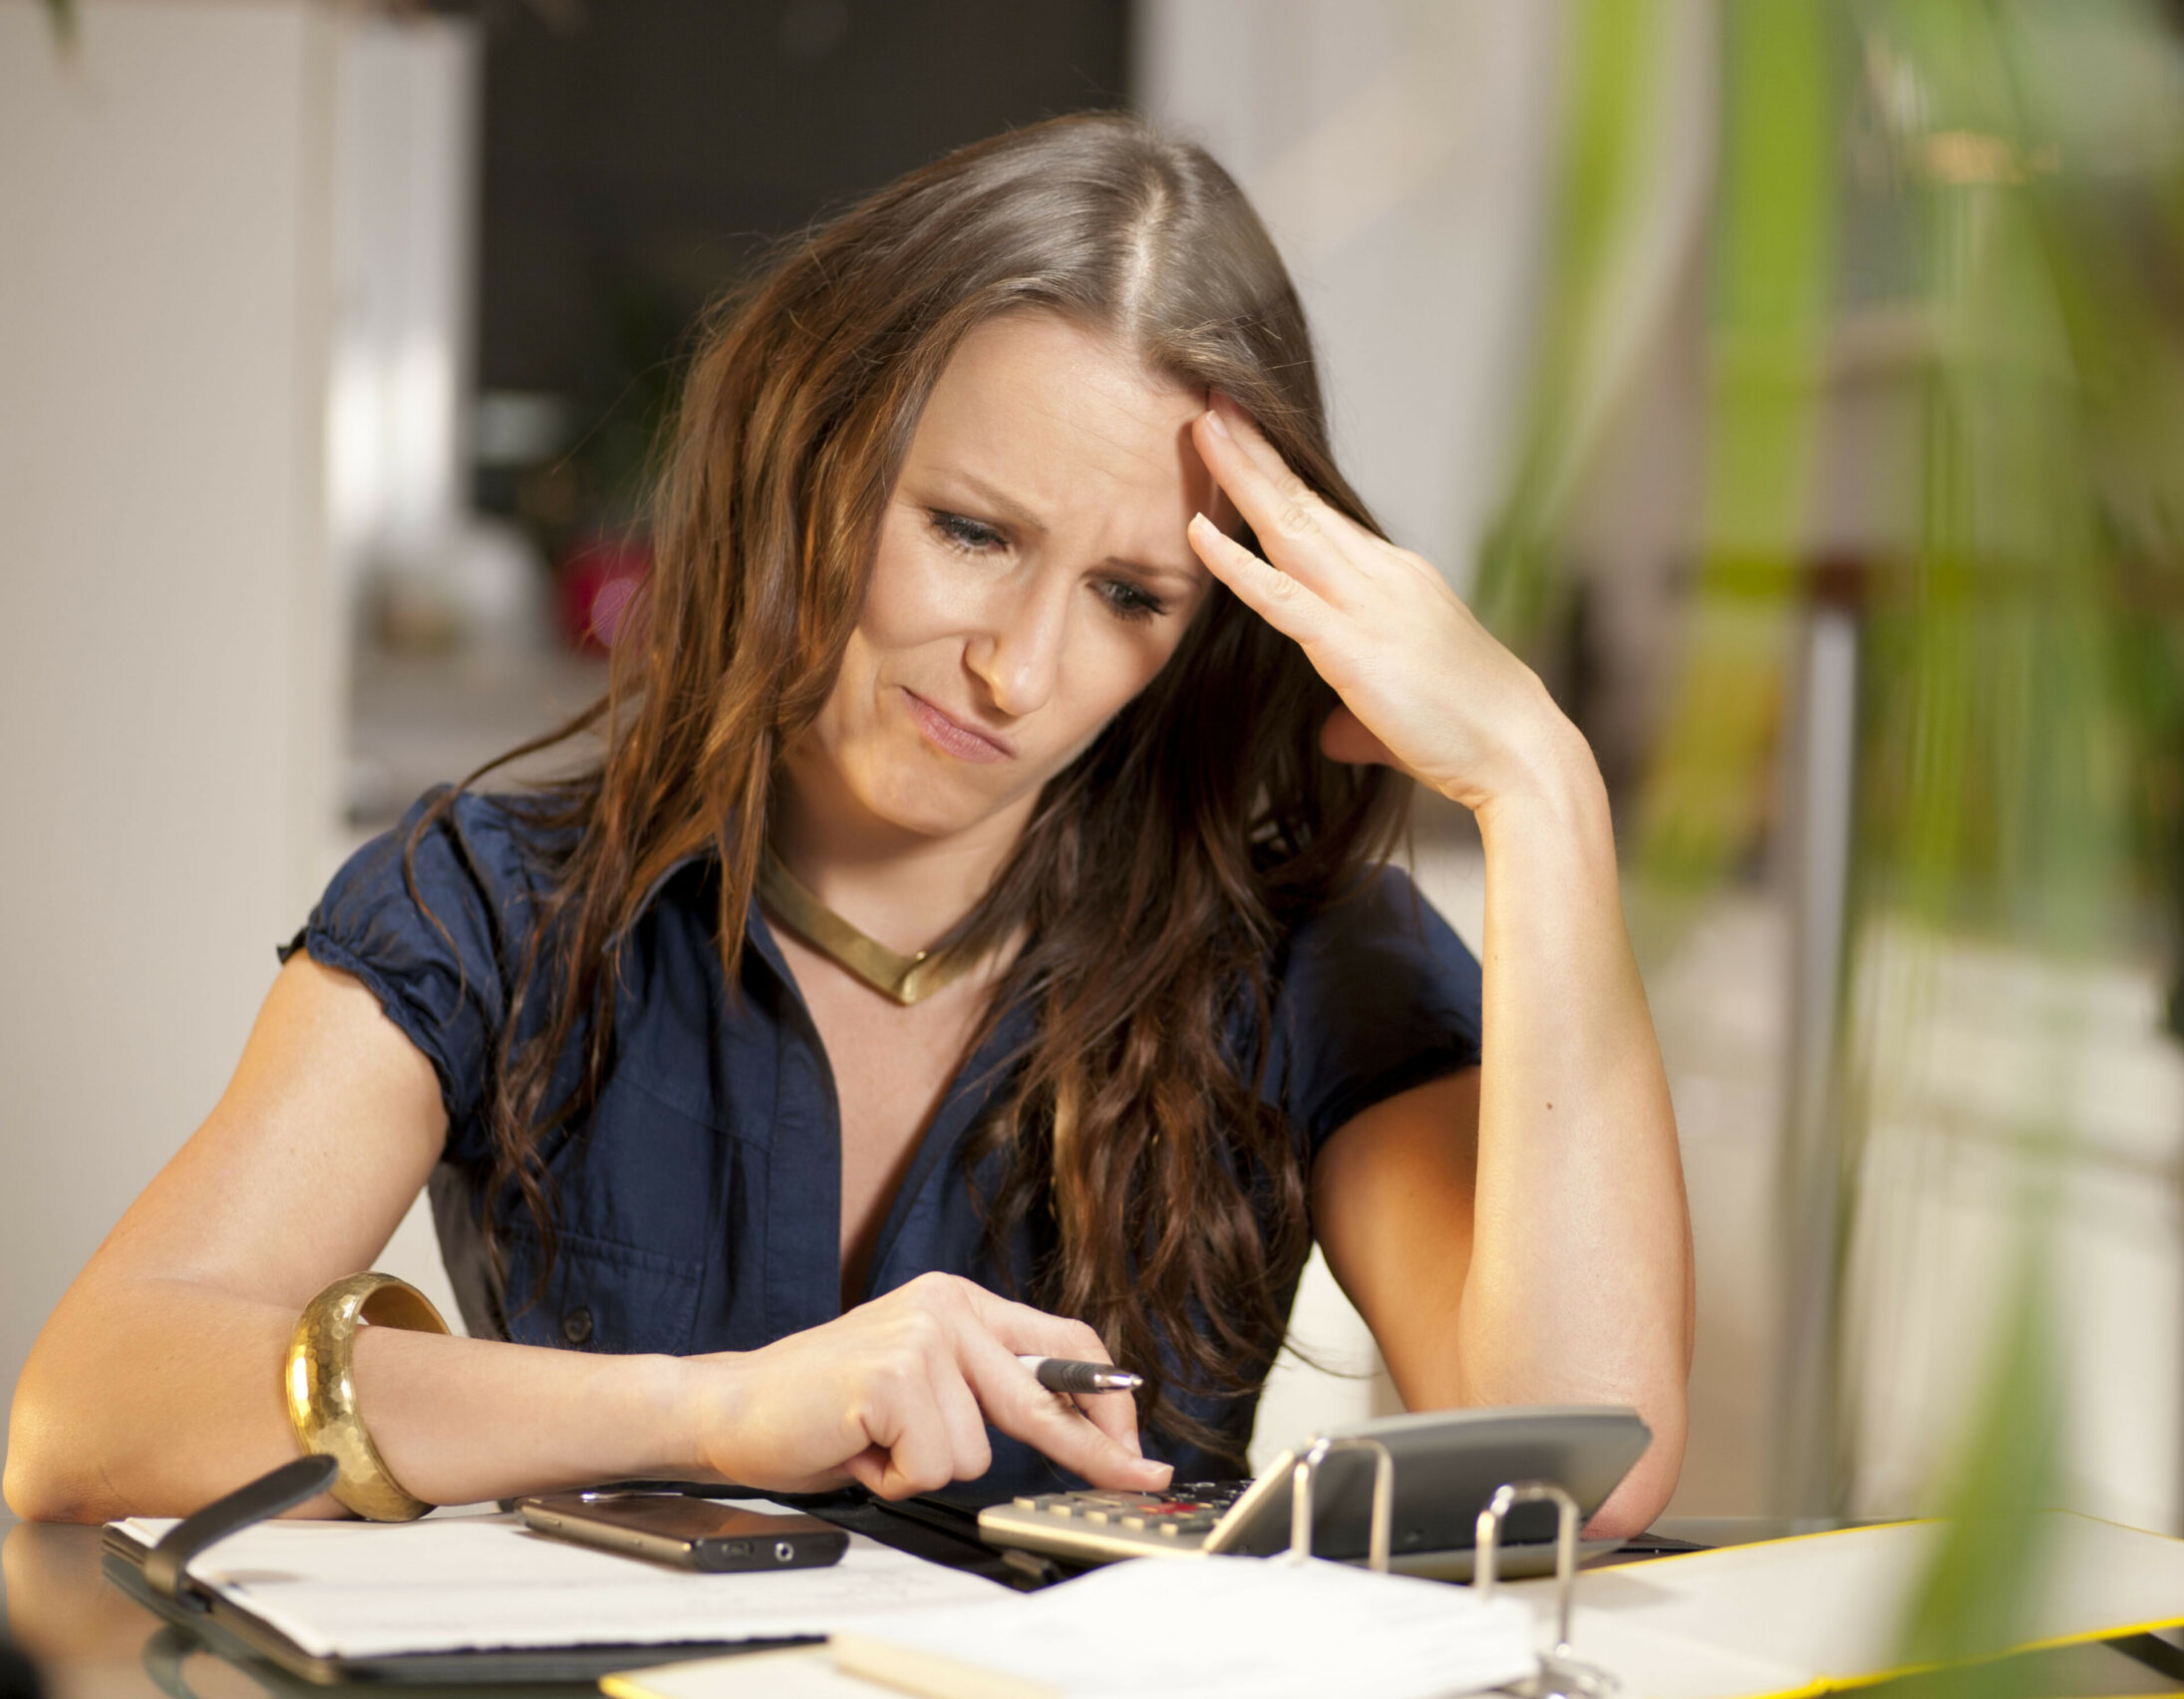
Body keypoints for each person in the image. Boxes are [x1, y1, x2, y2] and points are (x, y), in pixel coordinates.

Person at [4, 114, 1692, 1534]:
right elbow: (86, 1410)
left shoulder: (1311, 965)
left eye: (1128, 595)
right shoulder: (488, 905)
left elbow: (1575, 1486)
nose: (1019, 669)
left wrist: (1541, 786)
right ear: (819, 458)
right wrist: (715, 1411)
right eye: (969, 530)